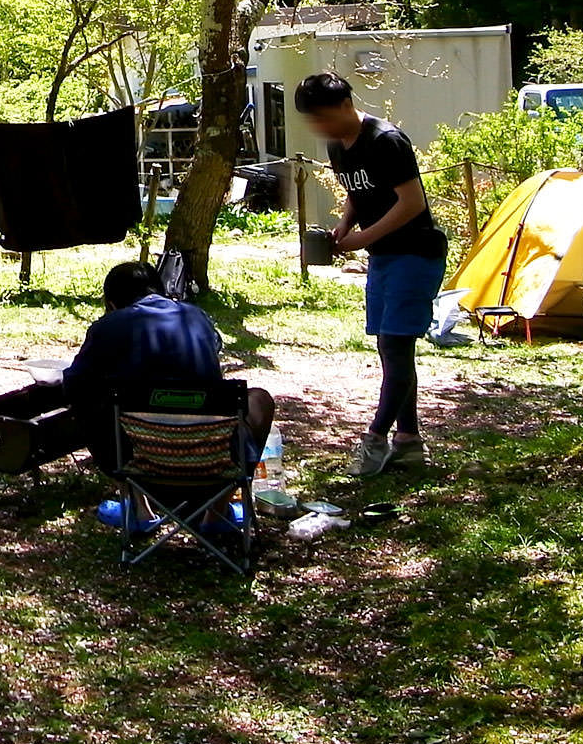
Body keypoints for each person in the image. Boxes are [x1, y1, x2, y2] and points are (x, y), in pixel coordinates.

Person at [293, 70, 448, 477]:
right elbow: (358, 192)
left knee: (396, 349)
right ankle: (409, 443)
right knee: (391, 349)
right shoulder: (337, 146)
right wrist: (346, 223)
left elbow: (412, 202)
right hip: (384, 256)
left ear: (346, 105)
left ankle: (375, 439)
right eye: (315, 121)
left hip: (415, 254)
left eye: (325, 117)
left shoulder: (386, 141)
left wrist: (364, 239)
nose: (321, 128)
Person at [64, 261, 276, 525]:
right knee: (260, 398)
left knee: (95, 401)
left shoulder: (108, 326)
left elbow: (73, 385)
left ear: (111, 303)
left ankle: (140, 510)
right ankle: (216, 512)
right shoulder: (196, 316)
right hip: (215, 460)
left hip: (143, 463)